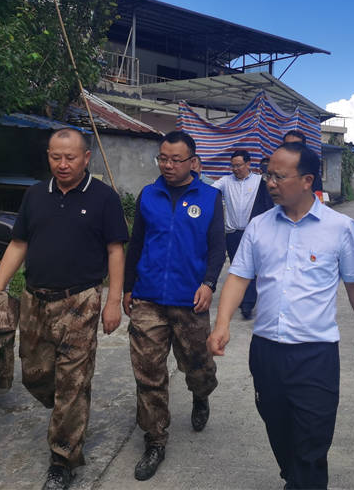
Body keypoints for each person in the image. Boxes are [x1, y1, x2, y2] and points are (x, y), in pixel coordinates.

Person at [207, 142, 354, 490]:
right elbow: (239, 277)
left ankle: (303, 481)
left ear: (306, 180)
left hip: (315, 353)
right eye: (268, 175)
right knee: (277, 425)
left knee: (314, 437)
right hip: (266, 350)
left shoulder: (339, 227)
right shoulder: (259, 226)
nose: (270, 183)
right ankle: (295, 476)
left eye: (279, 177)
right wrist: (221, 324)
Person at [0, 128, 128, 490]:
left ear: (86, 158)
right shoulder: (35, 195)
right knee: (34, 375)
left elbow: (116, 250)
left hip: (80, 301)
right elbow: (18, 244)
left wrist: (113, 301)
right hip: (34, 300)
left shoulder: (104, 198)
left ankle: (62, 459)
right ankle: (68, 413)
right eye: (55, 157)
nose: (62, 164)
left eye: (70, 157)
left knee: (73, 384)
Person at [123, 130, 225, 481]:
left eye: (175, 160)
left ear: (193, 162)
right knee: (148, 372)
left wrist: (209, 283)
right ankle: (155, 440)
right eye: (162, 158)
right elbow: (136, 243)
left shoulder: (210, 197)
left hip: (190, 300)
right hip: (148, 297)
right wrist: (127, 287)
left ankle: (200, 395)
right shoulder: (148, 195)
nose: (167, 165)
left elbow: (217, 247)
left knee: (198, 366)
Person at [213, 149, 262, 319]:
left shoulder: (259, 181)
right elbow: (210, 191)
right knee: (238, 269)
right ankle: (244, 300)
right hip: (233, 234)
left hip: (253, 233)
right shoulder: (226, 182)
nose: (235, 169)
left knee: (252, 268)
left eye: (239, 165)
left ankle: (247, 303)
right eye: (232, 166)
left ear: (248, 164)